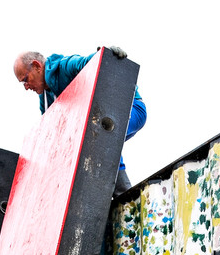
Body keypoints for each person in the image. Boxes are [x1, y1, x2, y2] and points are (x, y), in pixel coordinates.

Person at [12, 47, 147, 195]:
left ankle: (124, 193)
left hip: (130, 107)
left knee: (100, 138)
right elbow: (50, 133)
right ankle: (106, 196)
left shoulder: (63, 66)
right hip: (102, 122)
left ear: (37, 66)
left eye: (25, 80)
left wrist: (109, 55)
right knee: (87, 147)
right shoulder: (45, 100)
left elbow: (86, 62)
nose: (26, 87)